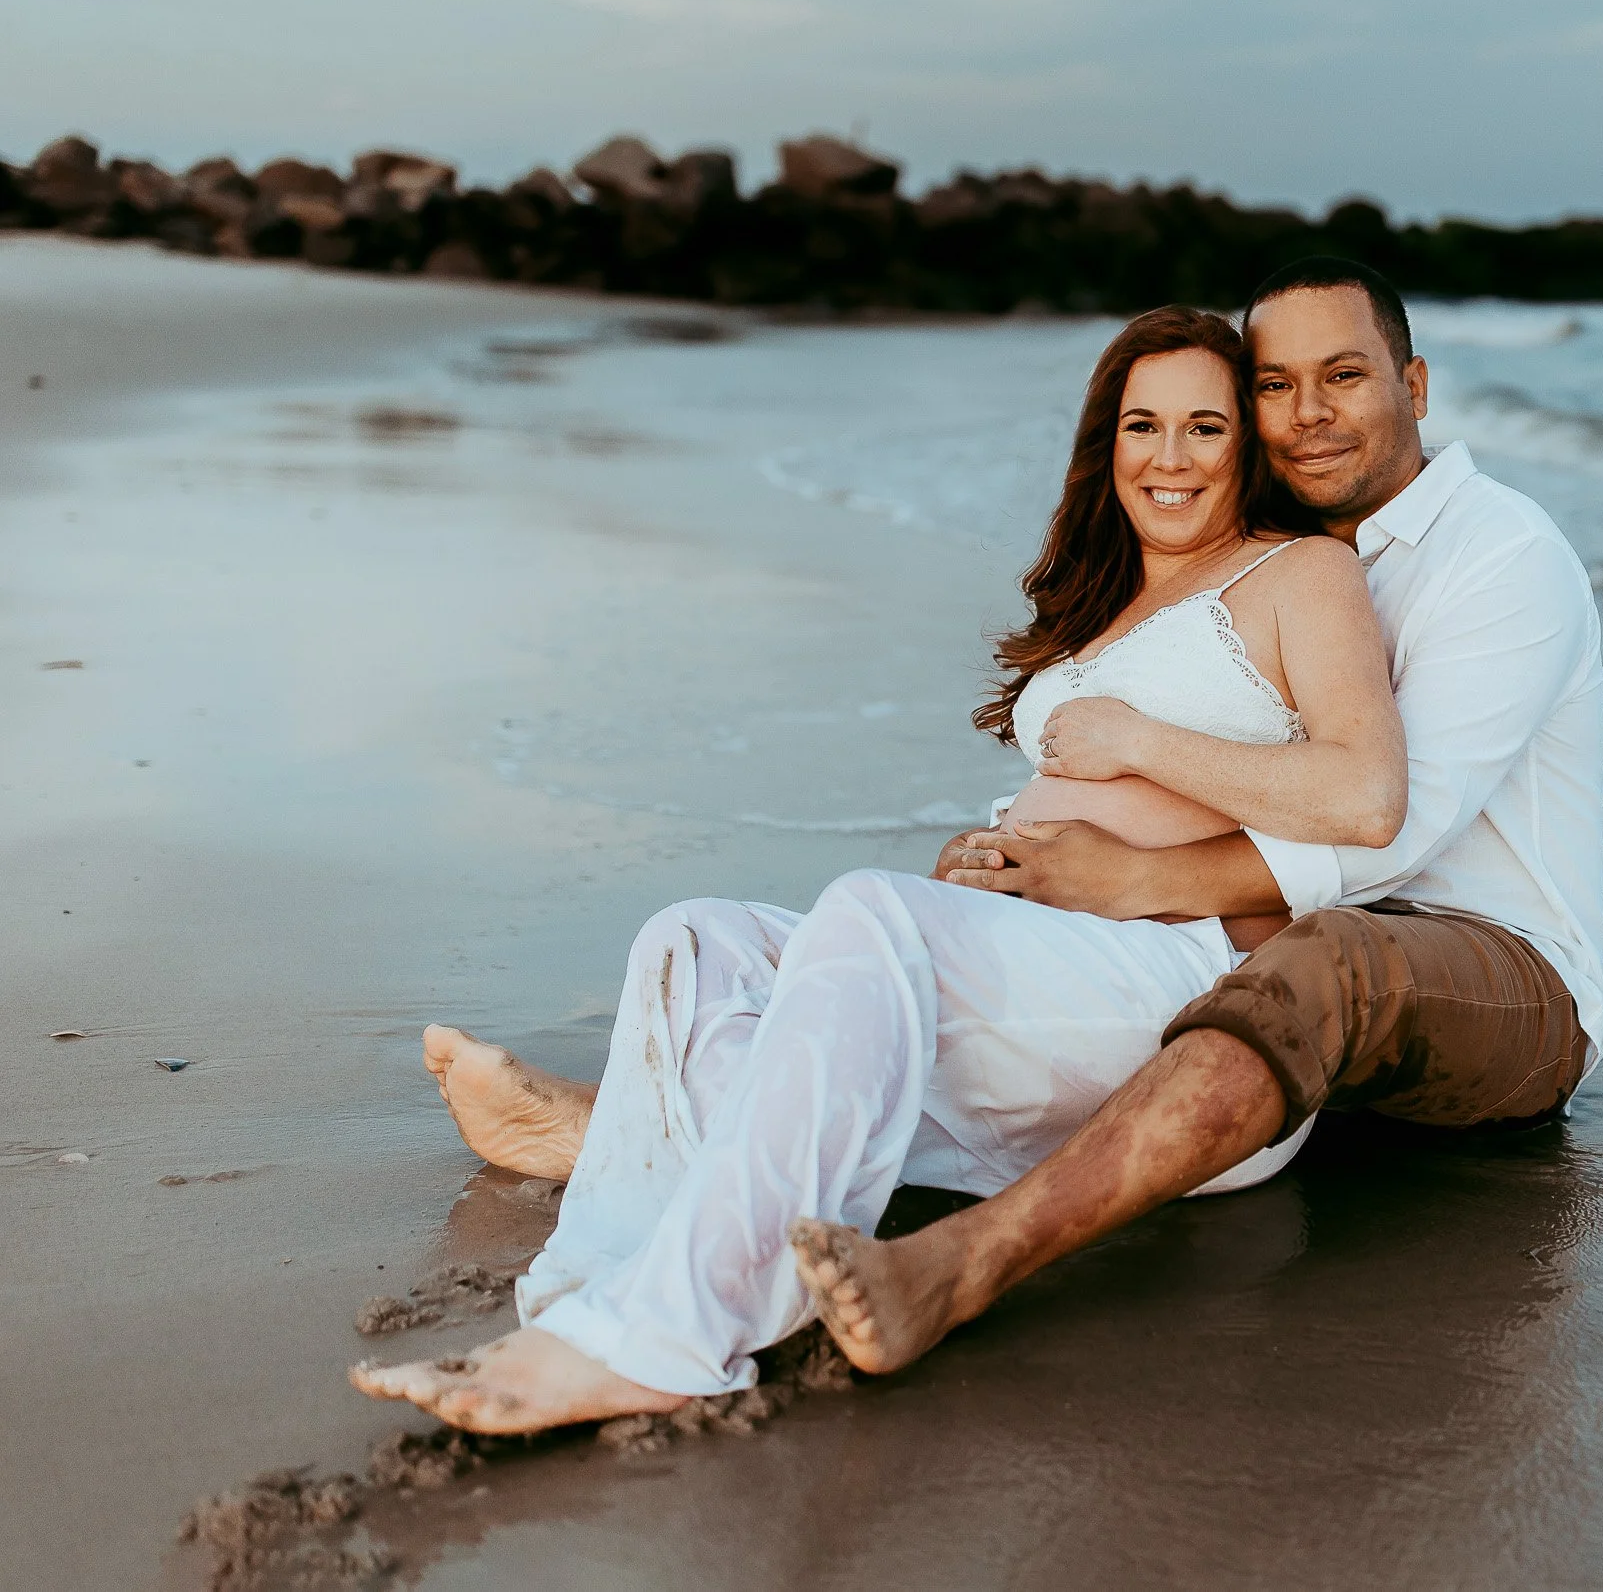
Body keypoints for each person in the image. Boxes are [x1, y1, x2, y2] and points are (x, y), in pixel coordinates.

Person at [352, 302, 1407, 1431]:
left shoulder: (1299, 574)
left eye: (1204, 426)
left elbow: (1367, 796)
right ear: (1106, 445)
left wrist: (1135, 741)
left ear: (1245, 442)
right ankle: (594, 1287)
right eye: (1141, 425)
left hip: (1173, 989)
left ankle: (664, 1338)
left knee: (865, 915)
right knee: (695, 937)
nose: (1169, 456)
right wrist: (986, 858)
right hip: (1045, 978)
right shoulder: (1106, 605)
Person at [787, 257, 1603, 1376]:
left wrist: (1133, 879)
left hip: (1499, 973)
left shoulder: (1500, 557)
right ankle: (675, 1129)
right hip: (1280, 949)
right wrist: (1023, 862)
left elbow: (1392, 830)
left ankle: (960, 1262)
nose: (1307, 415)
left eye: (1344, 375)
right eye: (1275, 385)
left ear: (1413, 386)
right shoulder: (1278, 553)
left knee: (1332, 960)